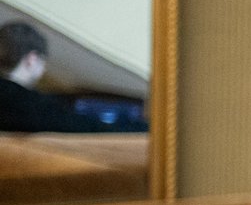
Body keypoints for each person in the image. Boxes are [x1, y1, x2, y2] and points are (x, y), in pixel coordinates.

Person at [0, 20, 148, 133]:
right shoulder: (28, 104)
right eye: (42, 62)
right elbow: (85, 128)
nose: (44, 69)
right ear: (32, 59)